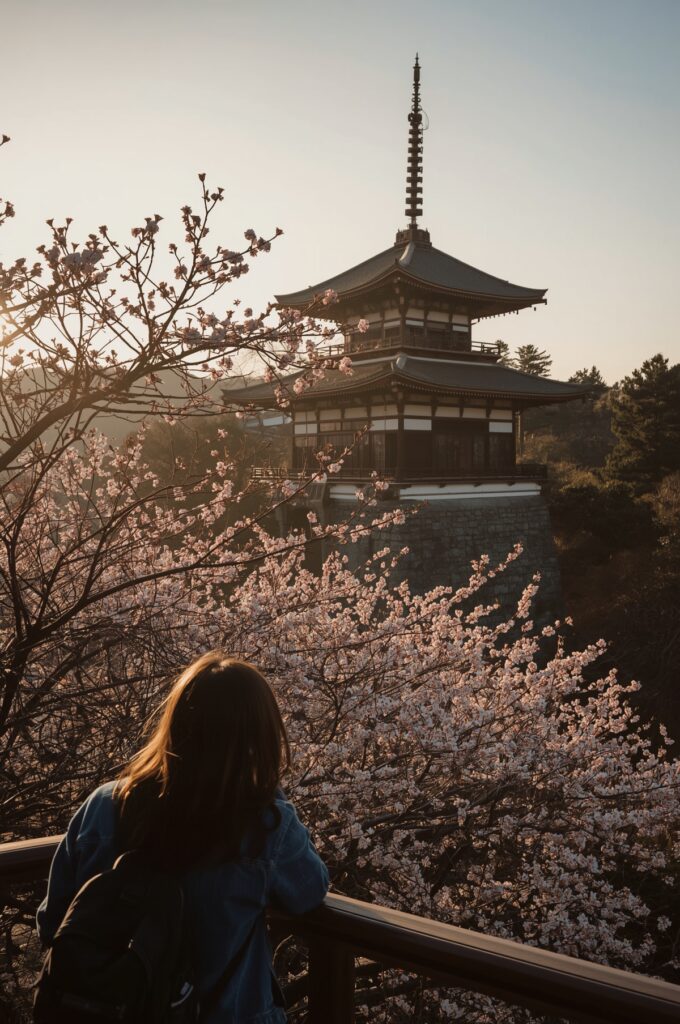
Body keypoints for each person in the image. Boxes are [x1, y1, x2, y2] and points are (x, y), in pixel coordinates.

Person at [37, 653, 329, 1023]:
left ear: (175, 722)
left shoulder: (105, 806)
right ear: (260, 736)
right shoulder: (264, 825)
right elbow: (310, 889)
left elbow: (53, 922)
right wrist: (269, 793)